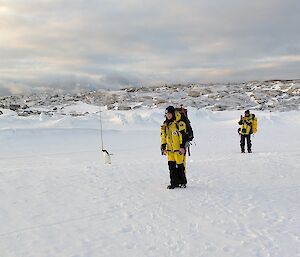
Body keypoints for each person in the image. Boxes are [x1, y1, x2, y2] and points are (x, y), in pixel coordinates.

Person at [161, 106, 188, 189]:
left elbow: (183, 136)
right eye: (166, 114)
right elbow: (163, 136)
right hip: (170, 150)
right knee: (171, 167)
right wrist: (163, 146)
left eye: (169, 113)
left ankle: (182, 182)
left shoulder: (179, 123)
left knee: (180, 166)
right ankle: (174, 183)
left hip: (178, 149)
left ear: (173, 113)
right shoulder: (165, 125)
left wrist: (182, 147)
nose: (168, 115)